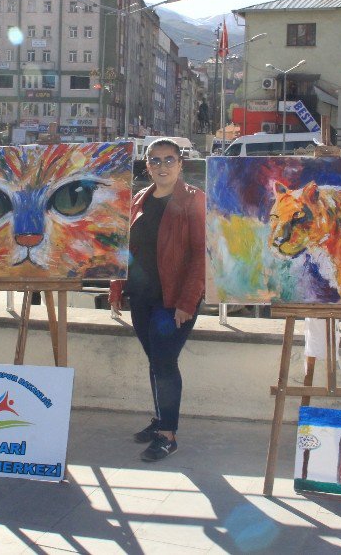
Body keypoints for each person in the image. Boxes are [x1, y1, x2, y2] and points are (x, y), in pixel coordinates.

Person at [109, 138, 205, 462]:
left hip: (174, 299)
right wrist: (116, 289)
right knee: (155, 362)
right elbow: (125, 249)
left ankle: (168, 435)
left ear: (180, 164)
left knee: (164, 363)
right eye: (155, 160)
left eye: (168, 160)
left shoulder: (194, 200)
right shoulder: (140, 199)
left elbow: (200, 257)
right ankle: (160, 420)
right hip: (142, 297)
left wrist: (187, 303)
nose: (162, 166)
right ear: (147, 165)